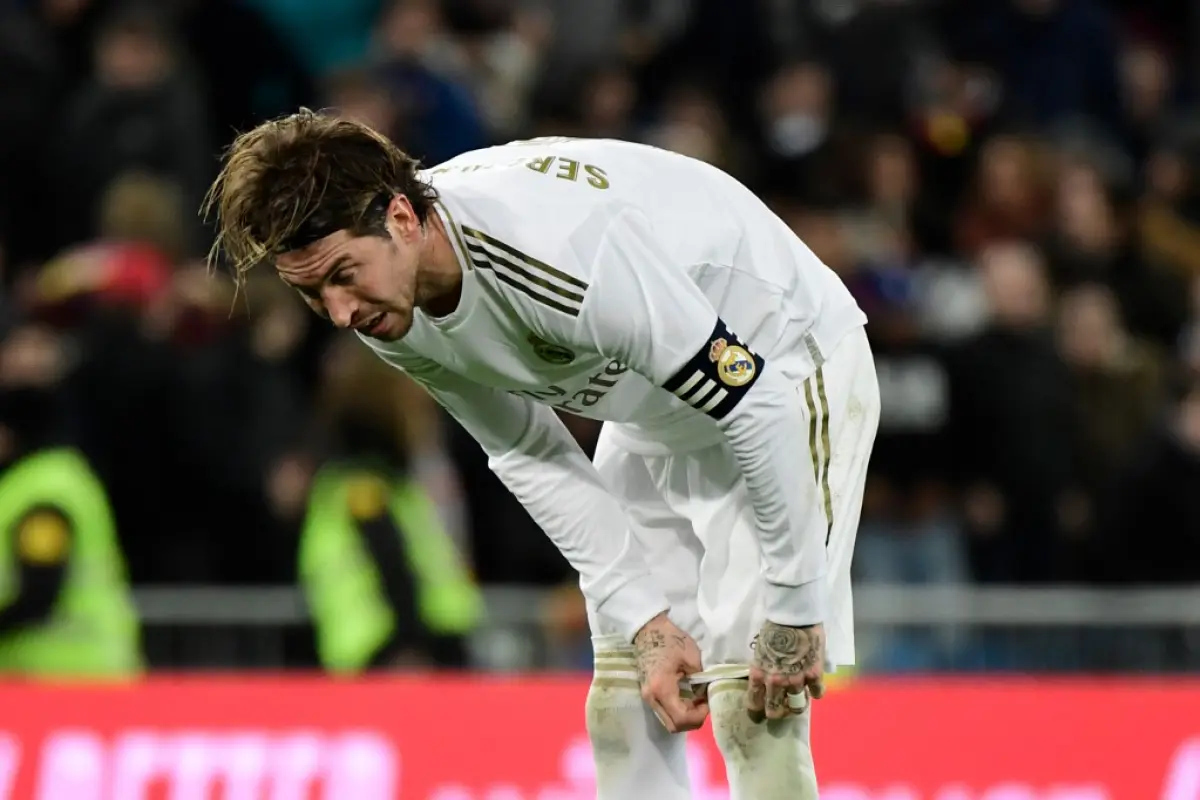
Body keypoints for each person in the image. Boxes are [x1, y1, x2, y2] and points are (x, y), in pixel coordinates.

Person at [205, 110, 880, 799]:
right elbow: (526, 447)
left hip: (787, 366)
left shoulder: (561, 255)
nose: (341, 312)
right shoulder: (389, 303)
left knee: (751, 702)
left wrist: (797, 605)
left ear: (402, 217)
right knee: (624, 699)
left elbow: (752, 403)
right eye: (312, 293)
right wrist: (645, 620)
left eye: (343, 275)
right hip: (653, 403)